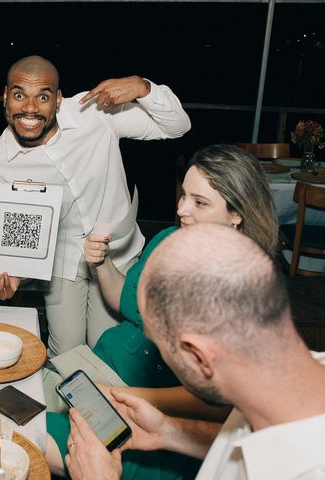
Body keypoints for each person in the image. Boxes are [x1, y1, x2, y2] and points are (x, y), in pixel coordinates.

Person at [46, 144, 279, 479]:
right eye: (184, 195)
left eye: (199, 202)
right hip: (99, 368)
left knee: (24, 438)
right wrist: (101, 264)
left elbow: (221, 402)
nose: (182, 209)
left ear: (236, 214)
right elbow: (123, 301)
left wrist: (121, 396)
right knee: (10, 405)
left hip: (148, 411)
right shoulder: (170, 237)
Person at [64, 223, 325, 480]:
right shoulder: (289, 378)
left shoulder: (310, 470)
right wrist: (169, 431)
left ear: (199, 356)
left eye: (157, 343)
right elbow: (241, 440)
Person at [0, 55, 191, 356]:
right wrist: (12, 276)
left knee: (105, 348)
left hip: (117, 256)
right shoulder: (0, 161)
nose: (29, 108)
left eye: (42, 96)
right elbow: (21, 238)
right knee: (65, 352)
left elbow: (177, 126)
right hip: (61, 263)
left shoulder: (93, 112)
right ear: (5, 97)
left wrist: (142, 87)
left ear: (57, 100)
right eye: (19, 95)